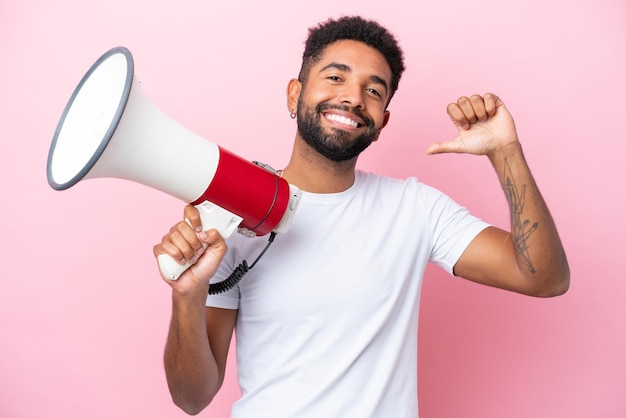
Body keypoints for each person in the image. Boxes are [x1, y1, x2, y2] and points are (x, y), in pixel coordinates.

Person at [153, 15, 570, 418]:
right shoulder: (235, 216)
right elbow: (192, 398)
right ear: (294, 94)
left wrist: (505, 151)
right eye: (336, 77)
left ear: (382, 121)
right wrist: (187, 295)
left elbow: (543, 277)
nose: (353, 97)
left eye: (374, 90)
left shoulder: (415, 209)